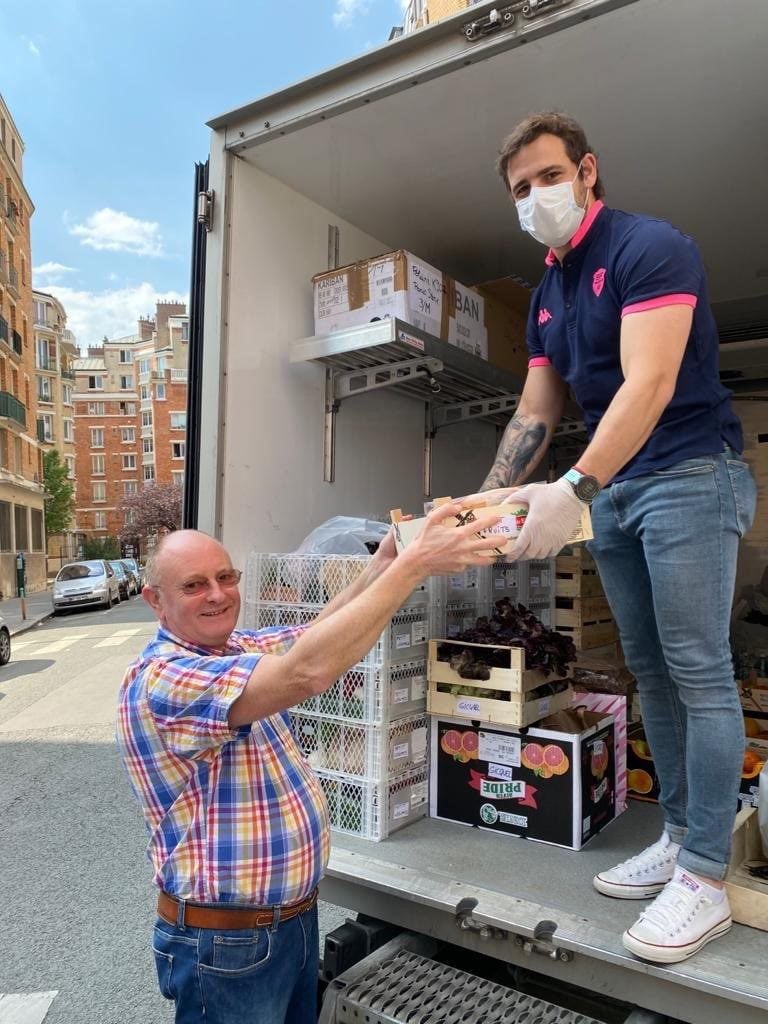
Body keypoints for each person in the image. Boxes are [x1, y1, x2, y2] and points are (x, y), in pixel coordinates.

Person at [474, 112, 757, 964]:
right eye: (520, 189)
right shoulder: (548, 297)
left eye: (548, 177)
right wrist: (479, 506)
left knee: (699, 667)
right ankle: (680, 832)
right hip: (622, 492)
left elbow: (653, 379)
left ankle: (706, 876)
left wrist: (572, 487)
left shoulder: (648, 248)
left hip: (688, 477)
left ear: (588, 171)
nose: (536, 199)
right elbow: (536, 409)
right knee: (651, 671)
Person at [116, 511, 501, 1024]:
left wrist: (383, 564)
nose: (217, 593)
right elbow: (307, 671)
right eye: (194, 585)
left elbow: (318, 634)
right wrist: (413, 566)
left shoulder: (236, 649)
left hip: (287, 923)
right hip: (228, 942)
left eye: (226, 577)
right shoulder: (164, 679)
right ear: (155, 600)